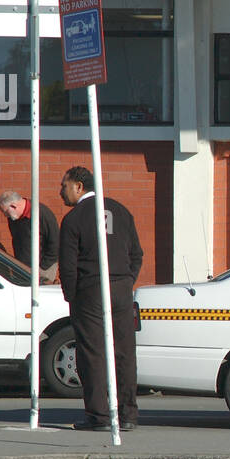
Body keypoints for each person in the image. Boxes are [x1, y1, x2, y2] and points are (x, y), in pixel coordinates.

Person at [57, 166, 144, 432]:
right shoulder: (120, 210)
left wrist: (72, 296)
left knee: (92, 354)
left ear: (79, 187)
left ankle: (100, 416)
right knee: (124, 353)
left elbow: (68, 266)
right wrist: (127, 280)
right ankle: (128, 414)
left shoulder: (73, 219)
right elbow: (137, 254)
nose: (61, 191)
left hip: (91, 290)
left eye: (64, 185)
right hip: (120, 288)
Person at [0, 190, 60, 284]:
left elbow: (55, 242)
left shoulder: (42, 213)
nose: (5, 215)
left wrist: (43, 267)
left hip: (43, 267)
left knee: (40, 295)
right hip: (22, 267)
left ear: (14, 206)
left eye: (5, 212)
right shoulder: (13, 218)